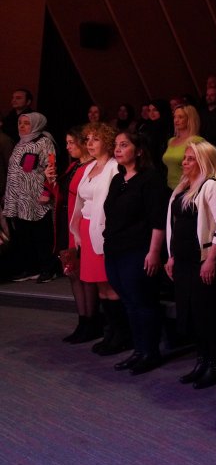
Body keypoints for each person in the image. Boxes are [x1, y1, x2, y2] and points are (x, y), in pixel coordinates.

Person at [102, 132, 169, 375]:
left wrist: (154, 252)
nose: (118, 149)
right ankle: (139, 350)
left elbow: (157, 220)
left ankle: (150, 352)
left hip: (138, 249)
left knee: (143, 301)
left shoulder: (151, 179)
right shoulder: (118, 179)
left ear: (139, 150)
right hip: (114, 248)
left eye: (124, 145)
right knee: (129, 302)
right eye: (116, 145)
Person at [165, 140, 216, 389]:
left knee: (207, 315)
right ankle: (201, 361)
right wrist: (171, 256)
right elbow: (175, 225)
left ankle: (215, 364)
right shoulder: (183, 186)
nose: (184, 162)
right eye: (185, 158)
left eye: (190, 158)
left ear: (204, 161)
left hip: (202, 261)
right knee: (192, 314)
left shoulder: (213, 186)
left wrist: (211, 259)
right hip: (183, 261)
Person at [70, 122, 129, 355]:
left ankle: (121, 334)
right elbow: (81, 200)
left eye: (95, 139)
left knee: (109, 284)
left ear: (107, 141)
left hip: (103, 230)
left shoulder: (114, 167)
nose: (90, 144)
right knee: (98, 284)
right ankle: (110, 332)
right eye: (87, 139)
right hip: (87, 229)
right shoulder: (89, 167)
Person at [47, 126, 100, 341]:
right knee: (73, 274)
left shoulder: (92, 166)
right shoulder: (74, 165)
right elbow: (61, 195)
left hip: (78, 226)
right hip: (65, 225)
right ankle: (83, 321)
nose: (68, 147)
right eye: (67, 143)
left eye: (71, 142)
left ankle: (91, 322)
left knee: (84, 276)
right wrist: (51, 181)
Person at [3, 113, 60, 283]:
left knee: (41, 235)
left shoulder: (44, 142)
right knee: (24, 235)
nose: (21, 126)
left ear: (36, 124)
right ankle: (31, 268)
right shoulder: (20, 143)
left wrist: (46, 192)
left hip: (36, 199)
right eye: (20, 123)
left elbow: (52, 168)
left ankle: (48, 269)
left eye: (26, 123)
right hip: (18, 198)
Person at [162, 105, 202, 189]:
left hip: (188, 187)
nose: (176, 120)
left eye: (180, 117)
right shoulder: (171, 141)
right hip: (169, 186)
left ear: (189, 119)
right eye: (175, 117)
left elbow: (203, 168)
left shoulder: (196, 141)